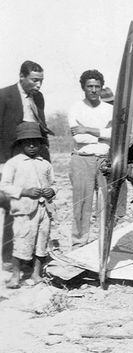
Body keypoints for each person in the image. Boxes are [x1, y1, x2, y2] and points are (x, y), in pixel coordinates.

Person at [0, 60, 52, 282]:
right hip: (10, 158)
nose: (38, 85)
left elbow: (41, 125)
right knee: (15, 206)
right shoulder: (4, 96)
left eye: (41, 80)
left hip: (35, 155)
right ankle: (10, 258)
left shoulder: (38, 97)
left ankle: (32, 257)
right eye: (34, 80)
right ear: (21, 76)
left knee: (38, 208)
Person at [68, 69, 125, 248]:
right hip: (82, 159)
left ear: (102, 88)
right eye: (90, 86)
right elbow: (78, 138)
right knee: (81, 204)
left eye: (97, 86)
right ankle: (79, 244)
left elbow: (115, 135)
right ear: (83, 88)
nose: (93, 90)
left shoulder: (110, 110)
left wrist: (88, 129)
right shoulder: (75, 108)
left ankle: (104, 245)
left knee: (106, 203)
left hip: (104, 160)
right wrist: (102, 134)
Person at [0, 122, 54, 288]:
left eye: (35, 142)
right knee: (21, 241)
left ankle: (36, 274)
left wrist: (52, 191)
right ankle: (16, 276)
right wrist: (24, 191)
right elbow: (4, 186)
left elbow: (54, 183)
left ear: (40, 144)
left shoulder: (45, 164)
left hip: (44, 209)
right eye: (27, 142)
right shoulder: (14, 163)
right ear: (21, 144)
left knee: (41, 241)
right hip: (23, 210)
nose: (32, 145)